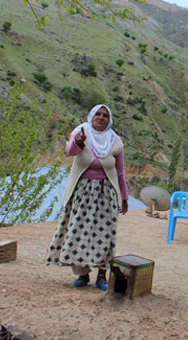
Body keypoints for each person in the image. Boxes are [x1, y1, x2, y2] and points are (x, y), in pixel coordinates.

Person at [46, 104, 129, 290]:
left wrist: (124, 197)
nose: (101, 118)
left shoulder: (115, 141)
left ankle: (102, 276)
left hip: (106, 193)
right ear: (91, 116)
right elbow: (69, 152)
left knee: (105, 235)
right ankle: (82, 275)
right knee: (77, 232)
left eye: (105, 115)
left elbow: (120, 172)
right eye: (97, 114)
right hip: (82, 192)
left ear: (110, 120)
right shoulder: (81, 132)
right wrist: (78, 142)